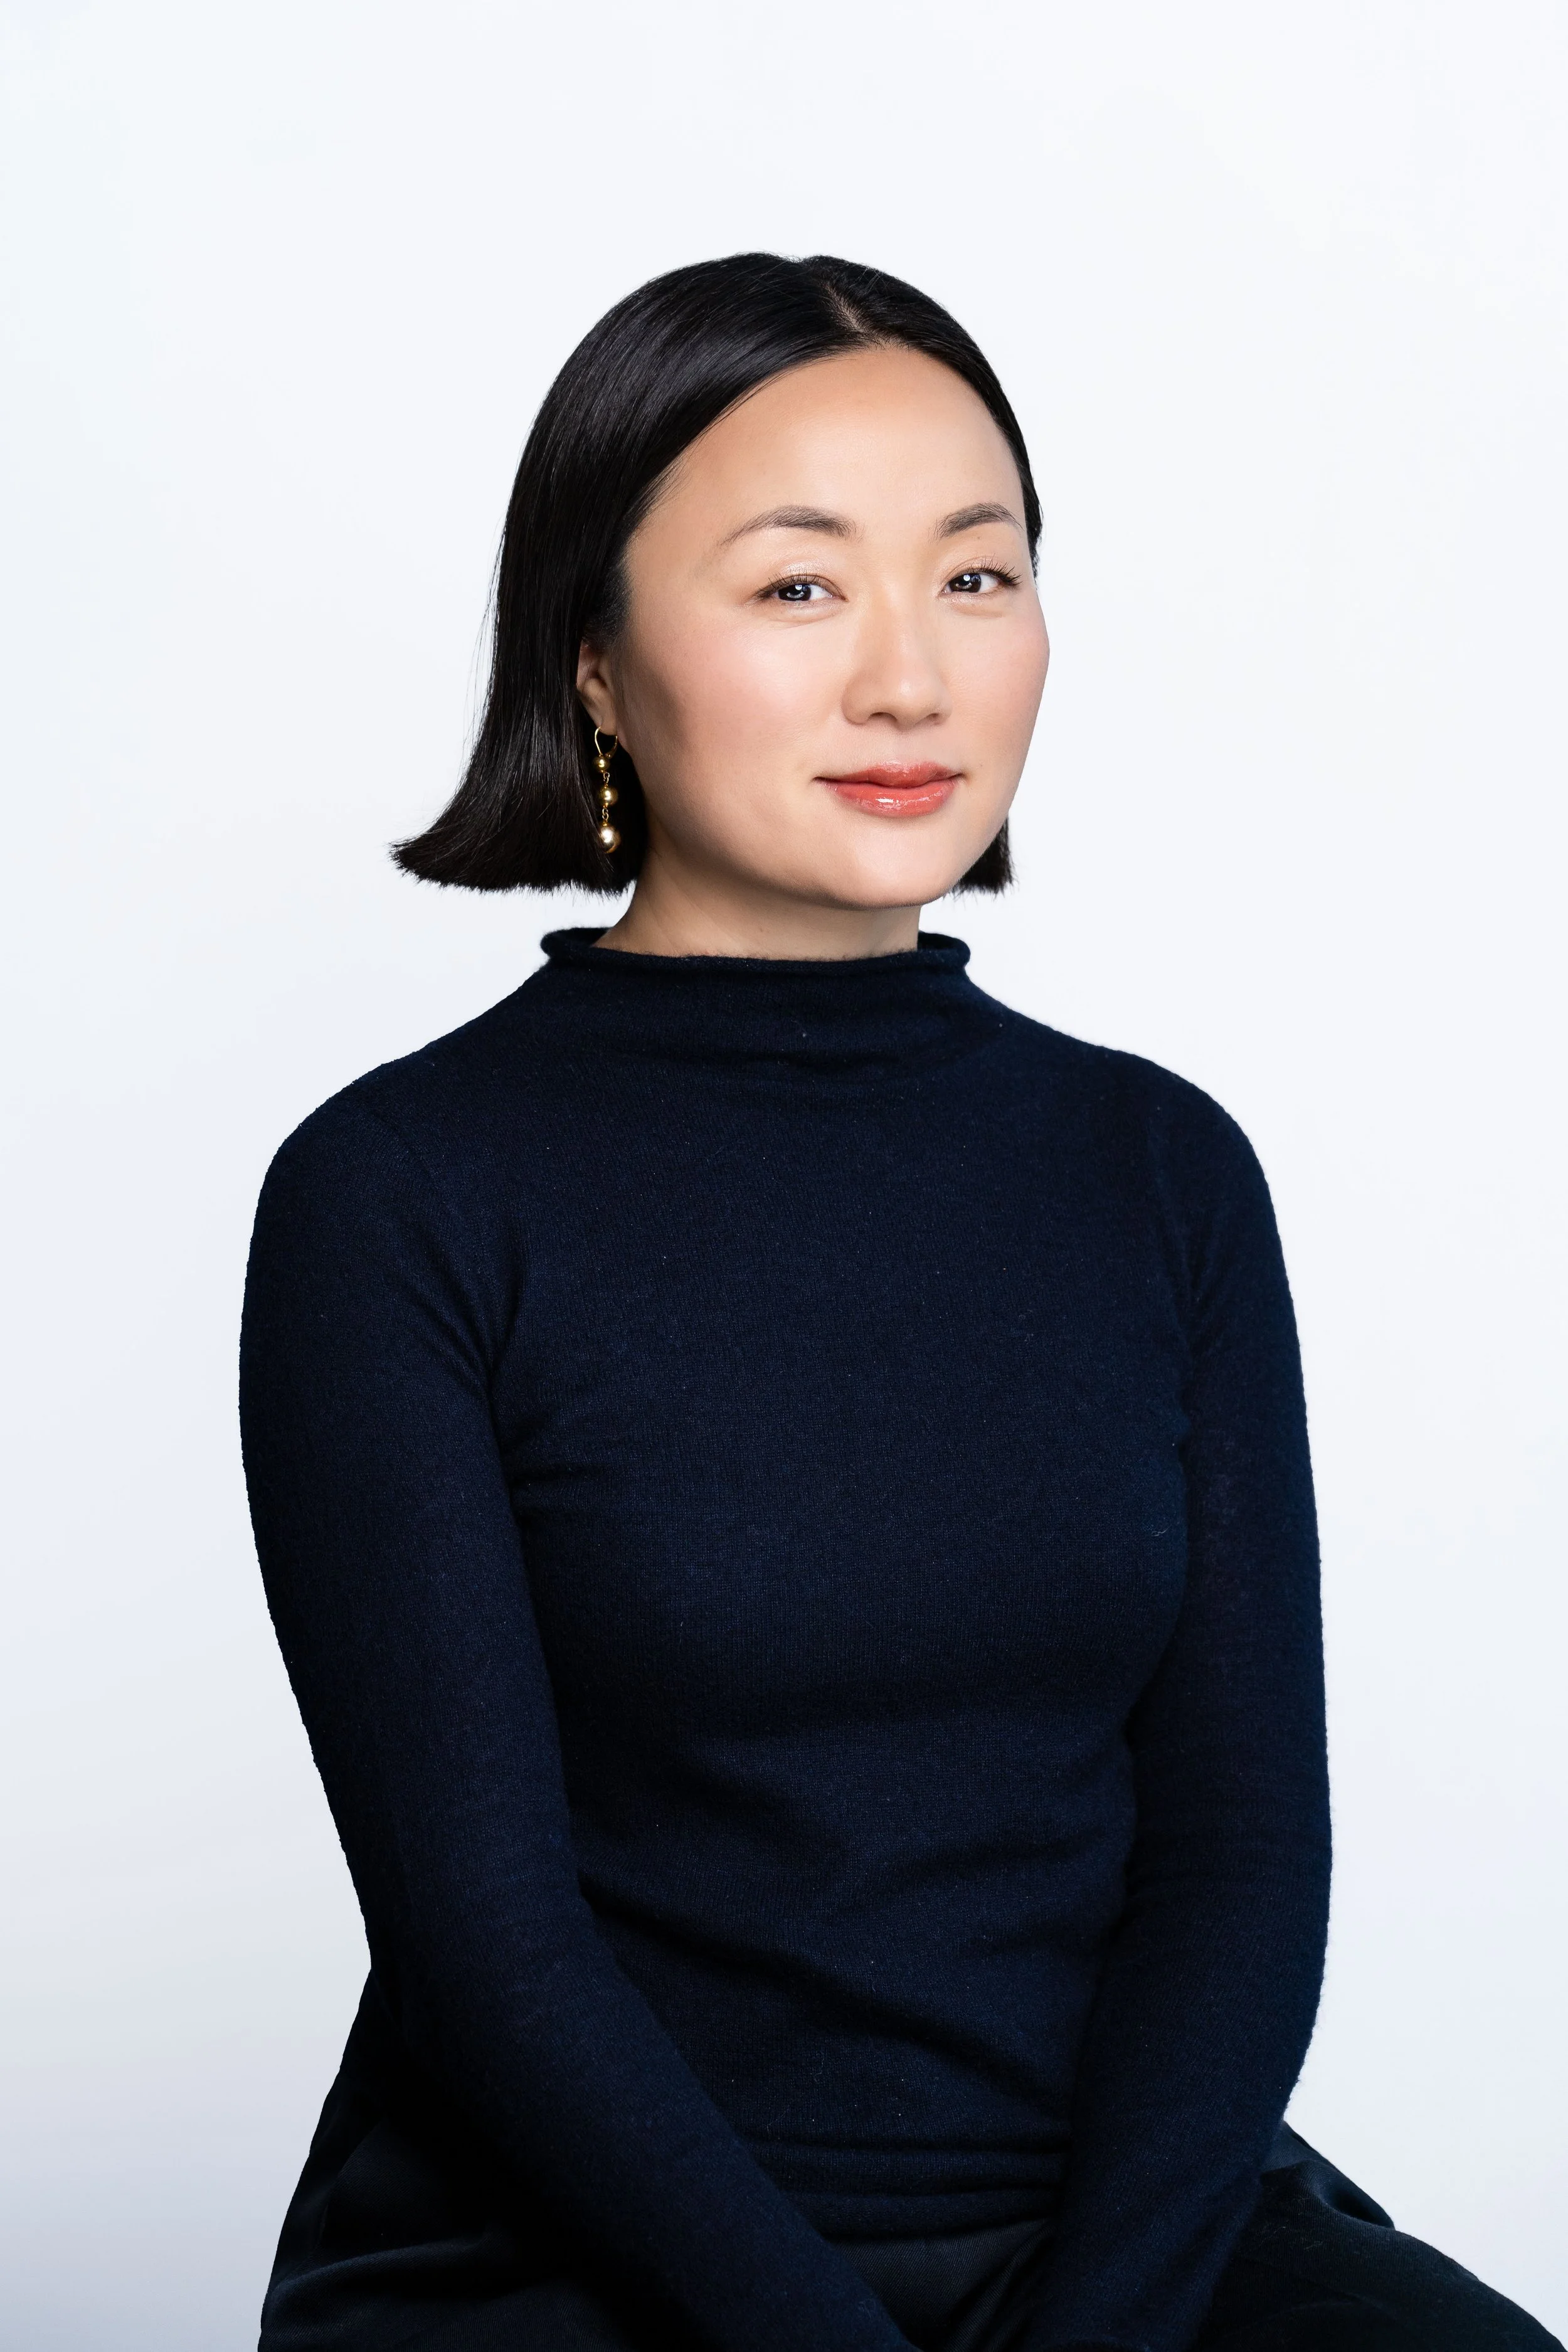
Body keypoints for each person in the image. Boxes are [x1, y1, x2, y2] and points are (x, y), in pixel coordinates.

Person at [238, 253, 1560, 2352]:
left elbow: (1238, 1855)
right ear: (588, 654)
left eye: (974, 578)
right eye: (794, 587)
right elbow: (490, 1944)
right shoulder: (397, 1193)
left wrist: (1104, 2326)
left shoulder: (1157, 1169)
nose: (909, 681)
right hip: (576, 2245)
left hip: (1112, 2236)